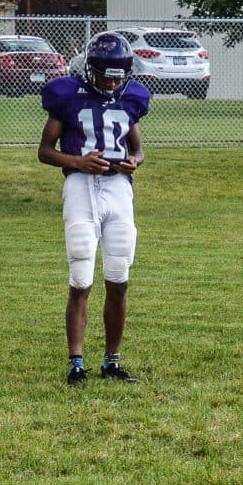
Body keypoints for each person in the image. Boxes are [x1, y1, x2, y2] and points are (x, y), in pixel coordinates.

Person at [38, 29, 148, 384]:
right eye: (107, 75)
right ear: (91, 69)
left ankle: (112, 361)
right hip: (81, 186)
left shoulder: (130, 96)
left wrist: (135, 161)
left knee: (119, 278)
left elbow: (138, 148)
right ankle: (76, 362)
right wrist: (78, 161)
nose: (113, 83)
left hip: (118, 188)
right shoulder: (68, 94)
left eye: (119, 77)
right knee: (81, 276)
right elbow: (44, 151)